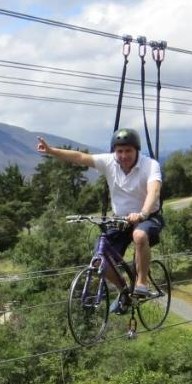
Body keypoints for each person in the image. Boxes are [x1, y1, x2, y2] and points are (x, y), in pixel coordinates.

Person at [37, 128, 164, 307]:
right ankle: (123, 290)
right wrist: (51, 151)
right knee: (99, 260)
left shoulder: (150, 165)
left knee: (140, 236)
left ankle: (141, 283)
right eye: (119, 151)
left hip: (148, 217)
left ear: (137, 150)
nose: (123, 155)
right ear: (114, 151)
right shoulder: (109, 162)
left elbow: (154, 191)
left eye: (128, 150)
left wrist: (142, 213)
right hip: (120, 220)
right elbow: (80, 158)